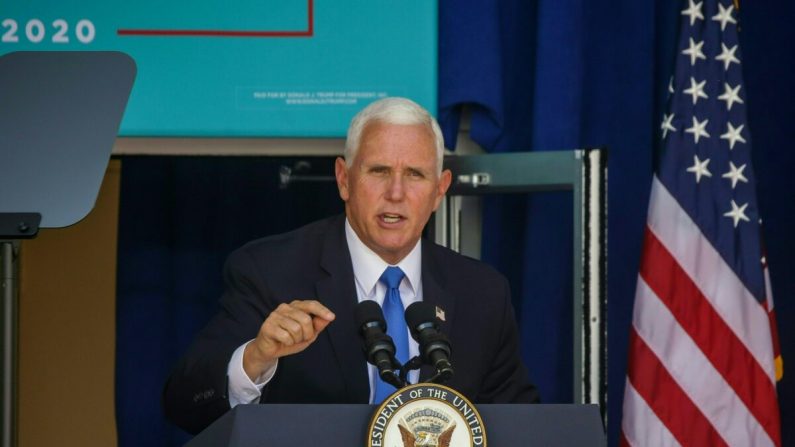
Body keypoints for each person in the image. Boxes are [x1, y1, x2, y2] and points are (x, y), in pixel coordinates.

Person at [162, 97, 539, 435]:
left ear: (440, 190)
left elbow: (522, 426)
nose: (396, 193)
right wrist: (257, 357)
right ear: (344, 179)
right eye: (378, 171)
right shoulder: (270, 271)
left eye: (414, 174)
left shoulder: (482, 292)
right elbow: (184, 404)